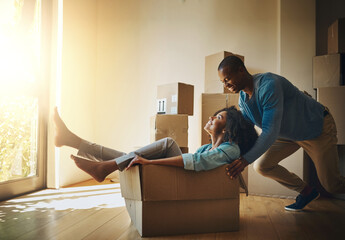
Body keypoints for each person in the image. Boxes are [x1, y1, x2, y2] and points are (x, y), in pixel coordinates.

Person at [218, 55, 345, 211]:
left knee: (332, 185)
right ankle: (306, 192)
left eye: (227, 79)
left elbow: (270, 131)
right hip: (288, 135)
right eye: (223, 82)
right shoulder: (243, 100)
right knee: (262, 166)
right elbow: (246, 132)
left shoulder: (269, 85)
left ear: (241, 70)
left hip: (316, 128)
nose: (226, 85)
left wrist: (245, 160)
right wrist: (224, 148)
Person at [53, 106, 258, 182]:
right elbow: (199, 157)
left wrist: (150, 164)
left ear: (227, 129)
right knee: (127, 157)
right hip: (186, 176)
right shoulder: (208, 147)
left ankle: (101, 162)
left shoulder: (231, 149)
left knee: (168, 143)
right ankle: (73, 141)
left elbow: (197, 162)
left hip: (187, 183)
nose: (212, 117)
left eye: (219, 118)